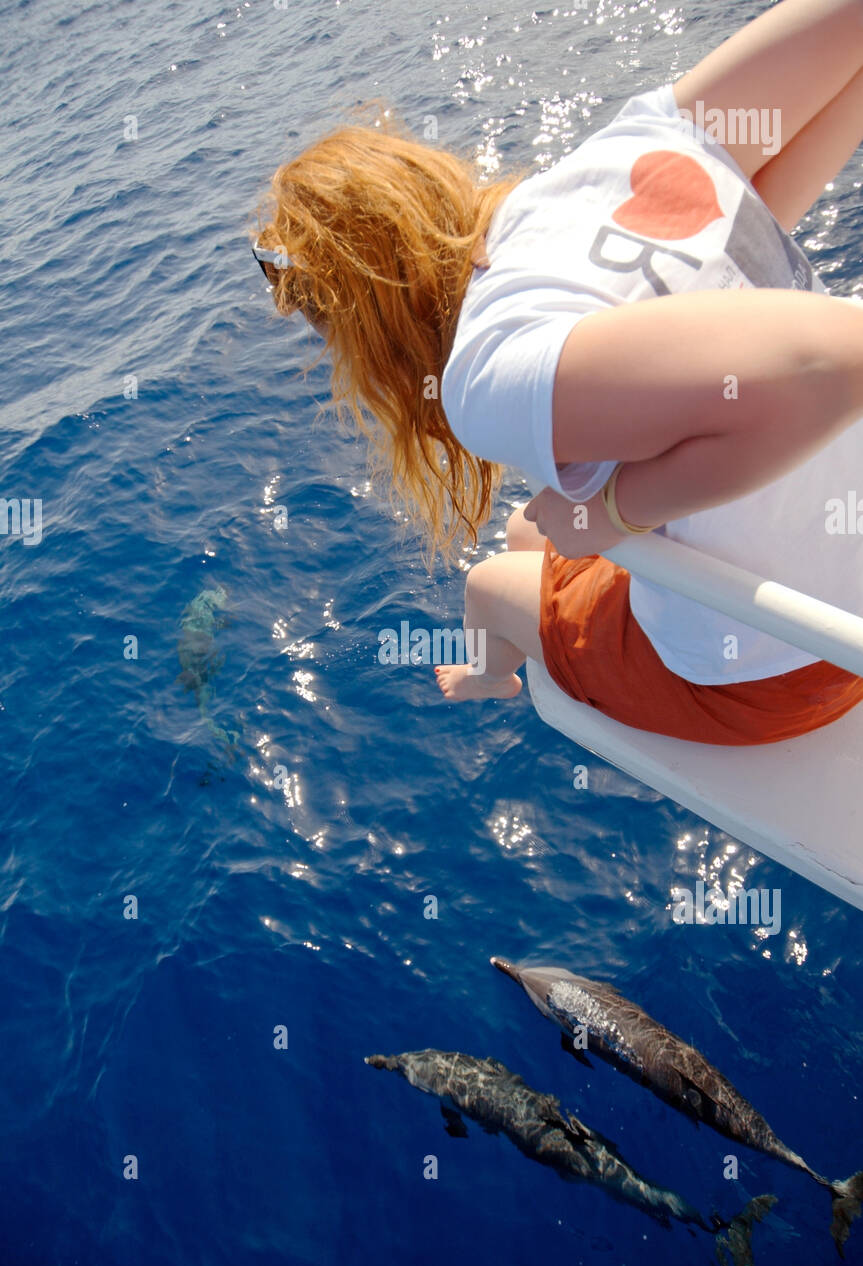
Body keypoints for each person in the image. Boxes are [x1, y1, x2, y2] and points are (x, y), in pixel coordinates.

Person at [253, 0, 863, 745]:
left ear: (366, 330)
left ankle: (489, 676)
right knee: (526, 529)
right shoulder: (636, 146)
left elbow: (833, 366)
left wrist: (611, 510)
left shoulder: (489, 374)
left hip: (790, 674)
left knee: (488, 582)